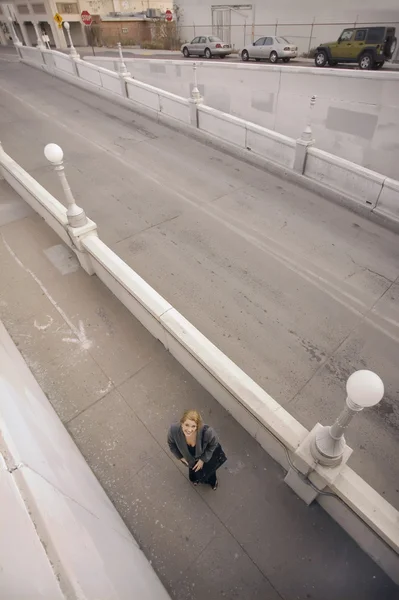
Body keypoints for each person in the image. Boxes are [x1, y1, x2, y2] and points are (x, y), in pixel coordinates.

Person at [167, 410, 226, 490]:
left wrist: (202, 460)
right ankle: (196, 480)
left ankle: (213, 482)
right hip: (190, 459)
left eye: (193, 426)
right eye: (186, 425)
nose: (189, 429)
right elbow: (171, 444)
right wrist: (180, 457)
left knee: (210, 473)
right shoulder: (173, 430)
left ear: (197, 426)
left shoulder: (207, 432)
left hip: (204, 457)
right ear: (182, 423)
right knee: (193, 473)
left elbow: (213, 444)